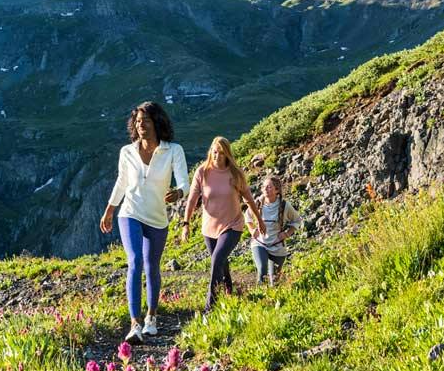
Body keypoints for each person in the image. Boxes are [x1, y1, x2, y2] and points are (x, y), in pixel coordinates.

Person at [99, 102, 188, 341]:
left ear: (157, 123)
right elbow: (121, 182)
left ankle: (151, 317)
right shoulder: (127, 151)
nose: (141, 126)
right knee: (135, 261)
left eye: (145, 121)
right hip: (130, 212)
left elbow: (184, 183)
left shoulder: (173, 151)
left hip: (158, 217)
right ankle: (135, 324)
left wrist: (178, 193)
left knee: (152, 267)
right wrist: (109, 210)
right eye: (137, 122)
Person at [183, 136, 261, 313]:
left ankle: (210, 307)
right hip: (209, 228)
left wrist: (260, 221)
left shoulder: (235, 173)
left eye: (221, 152)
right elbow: (192, 199)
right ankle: (228, 288)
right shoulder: (202, 172)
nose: (217, 155)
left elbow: (249, 199)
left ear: (227, 154)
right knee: (221, 262)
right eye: (214, 151)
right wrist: (186, 223)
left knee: (216, 260)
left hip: (232, 225)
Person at [246, 174, 303, 286]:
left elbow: (297, 220)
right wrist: (252, 230)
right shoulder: (257, 203)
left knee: (274, 281)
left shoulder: (284, 206)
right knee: (262, 269)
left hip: (277, 245)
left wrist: (287, 234)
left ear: (277, 190)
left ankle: (273, 299)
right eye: (264, 187)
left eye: (269, 187)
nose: (265, 189)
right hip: (260, 242)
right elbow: (247, 217)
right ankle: (259, 297)